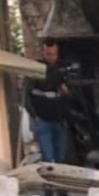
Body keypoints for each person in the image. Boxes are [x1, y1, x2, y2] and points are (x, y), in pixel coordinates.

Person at [26, 39, 71, 168]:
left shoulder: (63, 69)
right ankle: (49, 188)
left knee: (61, 158)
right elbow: (26, 95)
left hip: (60, 120)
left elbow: (71, 96)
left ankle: (61, 187)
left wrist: (66, 92)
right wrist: (35, 116)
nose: (51, 57)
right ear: (43, 53)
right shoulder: (35, 69)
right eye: (48, 54)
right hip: (43, 121)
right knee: (47, 158)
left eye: (54, 54)